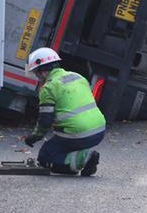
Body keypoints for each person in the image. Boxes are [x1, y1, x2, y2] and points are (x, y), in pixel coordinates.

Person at [22, 47, 105, 175]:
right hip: (99, 130)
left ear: (43, 71)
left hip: (79, 135)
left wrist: (34, 137)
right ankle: (77, 159)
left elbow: (45, 121)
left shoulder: (49, 88)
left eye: (36, 73)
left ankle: (84, 158)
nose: (37, 77)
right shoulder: (78, 77)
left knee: (46, 157)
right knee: (59, 144)